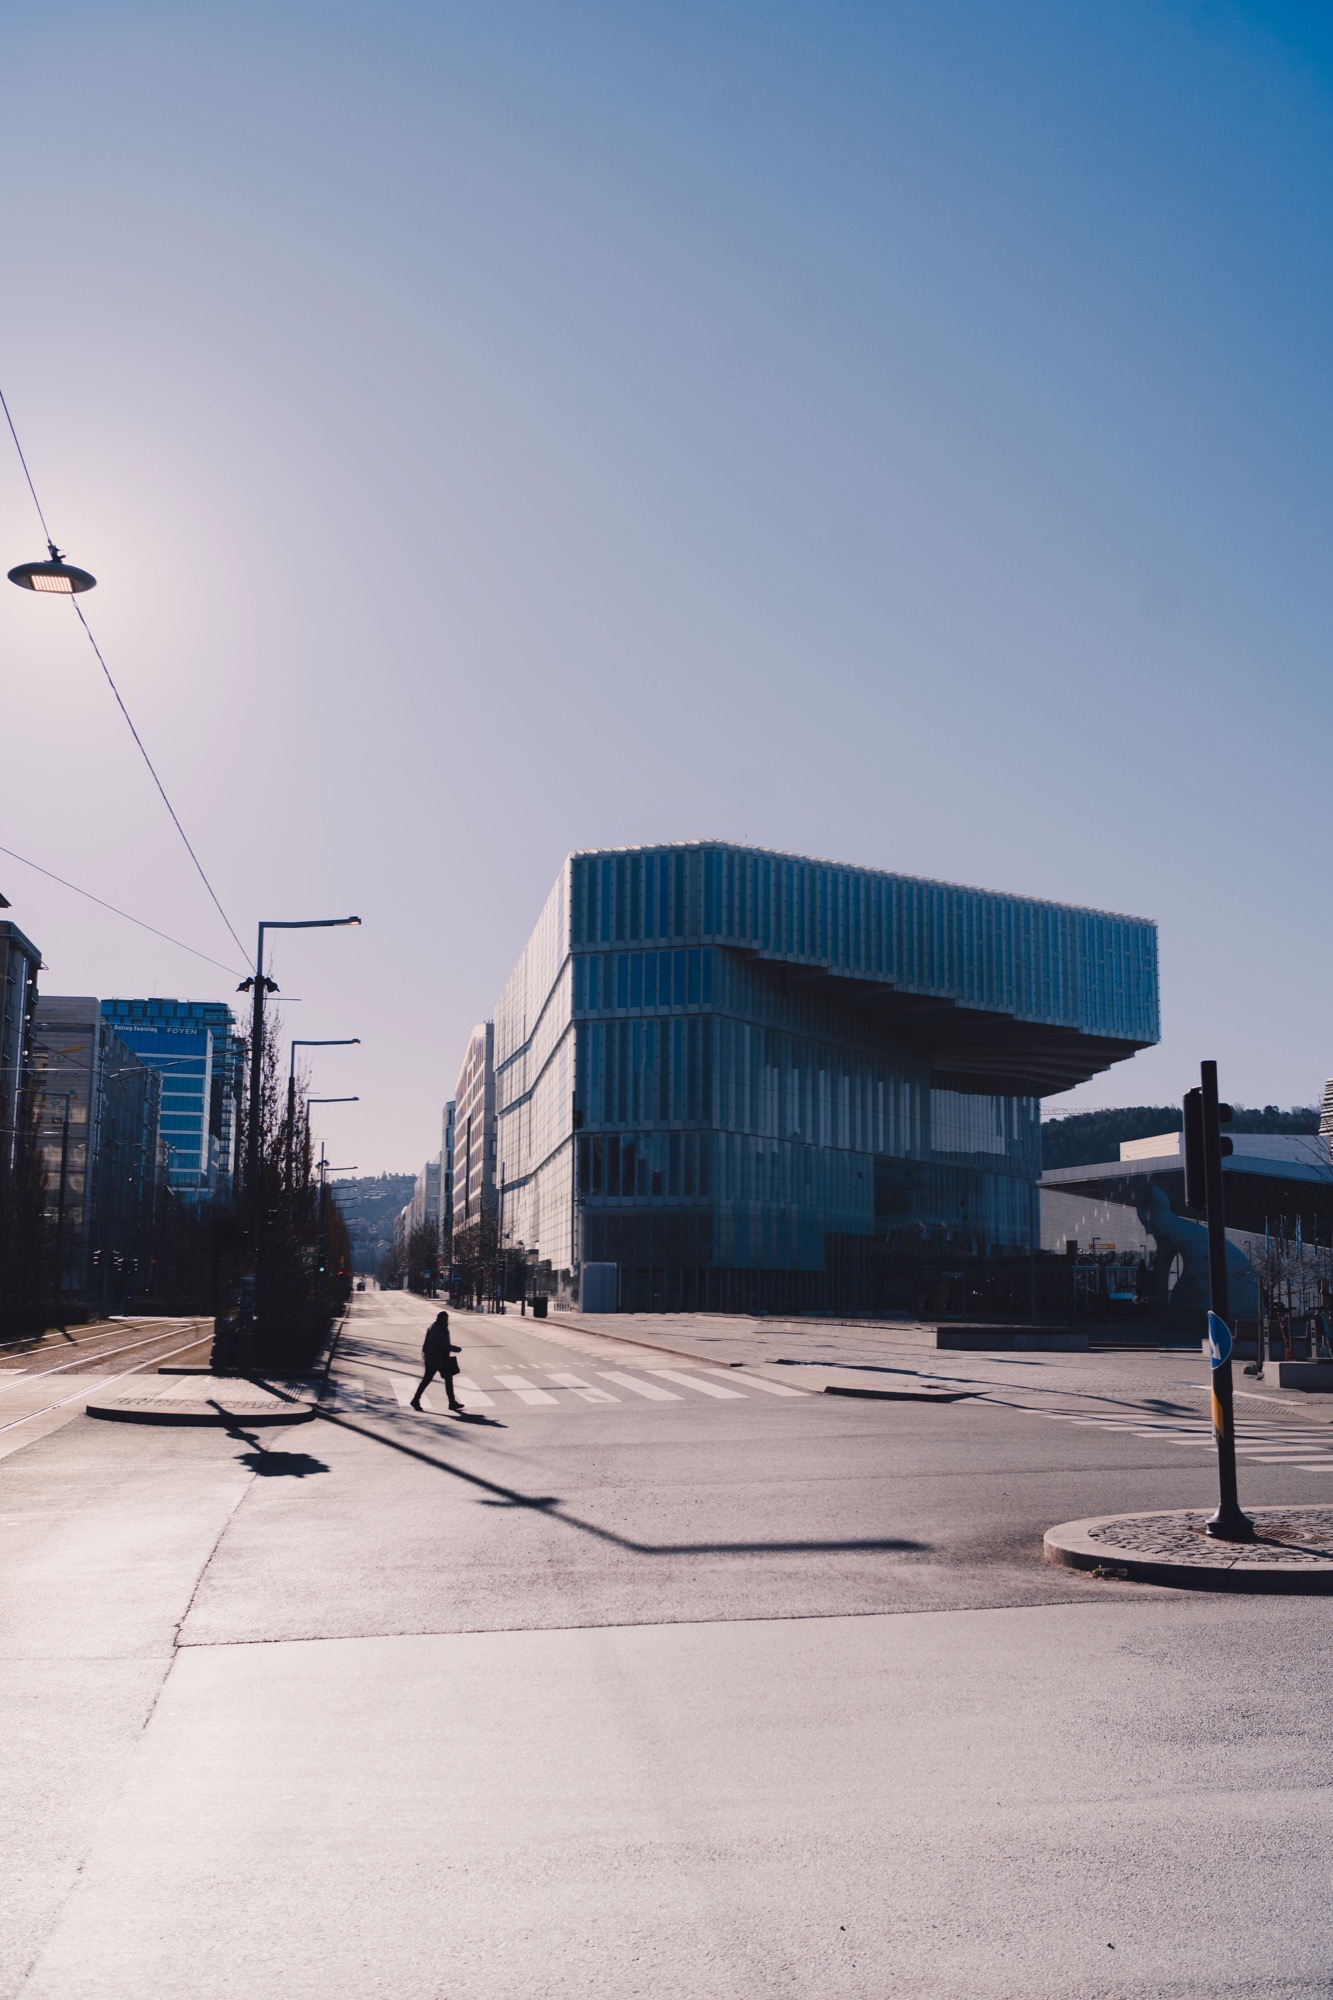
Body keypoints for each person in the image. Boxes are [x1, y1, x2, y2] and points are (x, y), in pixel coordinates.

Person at [411, 1308, 464, 1413]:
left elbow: (444, 1344)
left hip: (440, 1358)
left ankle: (451, 1402)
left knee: (446, 1379)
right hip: (434, 1359)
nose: (446, 1321)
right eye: (444, 1319)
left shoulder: (441, 1328)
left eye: (447, 1319)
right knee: (428, 1380)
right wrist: (455, 1348)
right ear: (439, 1319)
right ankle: (416, 1399)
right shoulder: (436, 1329)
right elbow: (442, 1345)